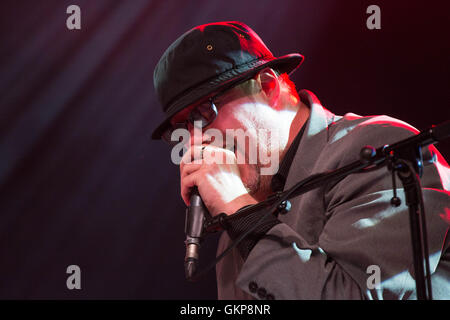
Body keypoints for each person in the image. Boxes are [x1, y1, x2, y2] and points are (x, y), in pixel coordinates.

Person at [152, 21, 450, 299]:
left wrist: (238, 209)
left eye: (205, 113)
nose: (194, 141)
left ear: (267, 86)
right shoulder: (238, 228)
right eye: (183, 128)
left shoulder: (379, 148)